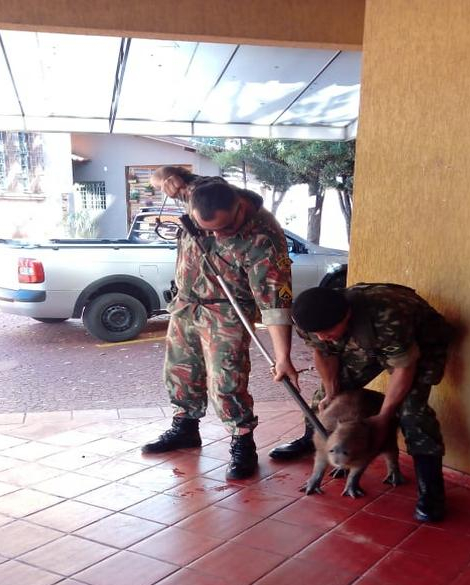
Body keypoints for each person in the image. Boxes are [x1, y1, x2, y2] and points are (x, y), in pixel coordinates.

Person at [142, 173, 298, 480]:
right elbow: (159, 175)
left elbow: (276, 302)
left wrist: (283, 357)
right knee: (180, 370)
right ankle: (184, 427)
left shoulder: (263, 238)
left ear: (239, 207)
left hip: (228, 311)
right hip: (186, 303)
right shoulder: (197, 190)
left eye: (225, 229)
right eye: (206, 229)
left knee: (226, 379)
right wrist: (163, 179)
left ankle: (243, 443)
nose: (218, 235)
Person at [269, 283, 453, 522]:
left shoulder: (388, 315)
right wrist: (332, 391)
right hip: (367, 341)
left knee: (412, 413)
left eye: (327, 330)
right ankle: (315, 440)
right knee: (326, 400)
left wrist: (385, 416)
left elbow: (404, 366)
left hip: (419, 343)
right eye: (317, 333)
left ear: (347, 315)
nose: (322, 336)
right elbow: (325, 352)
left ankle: (431, 490)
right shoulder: (311, 323)